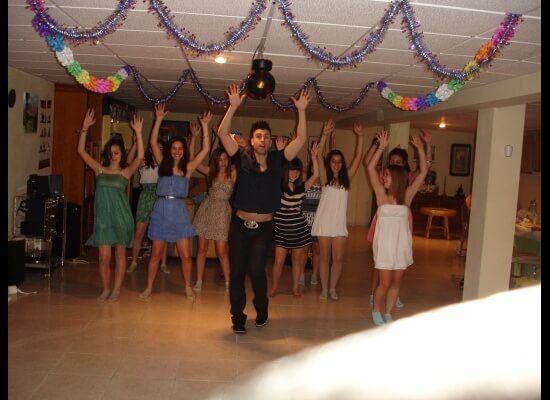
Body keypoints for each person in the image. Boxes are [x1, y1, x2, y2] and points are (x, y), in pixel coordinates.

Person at [217, 84, 310, 334]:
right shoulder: (241, 157)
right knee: (237, 272)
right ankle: (238, 316)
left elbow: (301, 140)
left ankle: (262, 308)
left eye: (266, 137)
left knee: (257, 269)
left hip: (264, 227)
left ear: (270, 142)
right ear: (252, 139)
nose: (263, 140)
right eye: (258, 136)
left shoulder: (278, 160)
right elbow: (223, 133)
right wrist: (233, 107)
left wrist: (301, 111)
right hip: (240, 226)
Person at [139, 104, 211, 299]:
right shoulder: (163, 163)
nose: (177, 151)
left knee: (185, 255)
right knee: (155, 255)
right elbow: (153, 142)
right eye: (174, 148)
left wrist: (205, 126)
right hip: (161, 210)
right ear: (170, 150)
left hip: (179, 212)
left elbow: (205, 149)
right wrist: (158, 119)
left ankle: (187, 286)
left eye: (180, 148)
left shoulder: (188, 168)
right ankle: (149, 287)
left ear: (184, 150)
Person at [77, 108, 144, 302]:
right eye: (111, 153)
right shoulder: (99, 169)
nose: (114, 155)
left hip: (121, 217)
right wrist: (84, 128)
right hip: (103, 219)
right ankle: (106, 288)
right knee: (103, 257)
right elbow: (81, 151)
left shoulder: (125, 173)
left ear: (122, 154)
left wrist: (138, 133)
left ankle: (116, 289)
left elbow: (140, 157)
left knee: (120, 255)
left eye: (117, 153)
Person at [363, 129, 432, 308]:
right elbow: (369, 167)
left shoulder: (407, 196)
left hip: (401, 244)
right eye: (385, 174)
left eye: (387, 175)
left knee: (396, 282)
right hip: (384, 244)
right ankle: (376, 302)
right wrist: (381, 147)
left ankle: (388, 310)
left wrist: (421, 148)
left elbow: (423, 171)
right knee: (384, 280)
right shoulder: (381, 195)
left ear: (396, 177)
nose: (384, 178)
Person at [311, 120, 364, 301]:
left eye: (339, 162)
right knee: (324, 258)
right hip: (324, 223)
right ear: (329, 163)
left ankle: (333, 288)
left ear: (342, 164)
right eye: (333, 161)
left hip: (338, 225)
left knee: (339, 259)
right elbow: (319, 155)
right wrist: (324, 134)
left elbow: (358, 157)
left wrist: (360, 136)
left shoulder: (346, 178)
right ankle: (324, 289)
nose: (336, 164)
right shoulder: (324, 177)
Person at [270, 143, 320, 298]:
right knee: (279, 261)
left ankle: (295, 288)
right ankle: (274, 288)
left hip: (299, 230)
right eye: (292, 169)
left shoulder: (301, 187)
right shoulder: (277, 186)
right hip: (281, 230)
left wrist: (314, 157)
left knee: (297, 261)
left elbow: (316, 175)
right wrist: (281, 152)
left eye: (297, 170)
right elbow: (273, 169)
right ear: (286, 170)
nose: (295, 173)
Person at [192, 147, 237, 292]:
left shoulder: (233, 172)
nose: (223, 162)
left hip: (222, 212)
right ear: (215, 161)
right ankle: (199, 281)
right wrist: (194, 140)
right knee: (202, 248)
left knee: (222, 250)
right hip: (207, 209)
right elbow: (194, 162)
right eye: (219, 160)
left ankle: (229, 282)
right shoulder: (210, 172)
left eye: (225, 159)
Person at [126, 143, 169, 274]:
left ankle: (163, 263)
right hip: (145, 196)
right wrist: (134, 144)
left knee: (162, 233)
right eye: (156, 147)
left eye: (161, 148)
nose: (158, 150)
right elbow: (128, 161)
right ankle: (134, 262)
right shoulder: (143, 161)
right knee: (139, 232)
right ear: (150, 149)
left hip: (160, 197)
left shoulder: (165, 164)